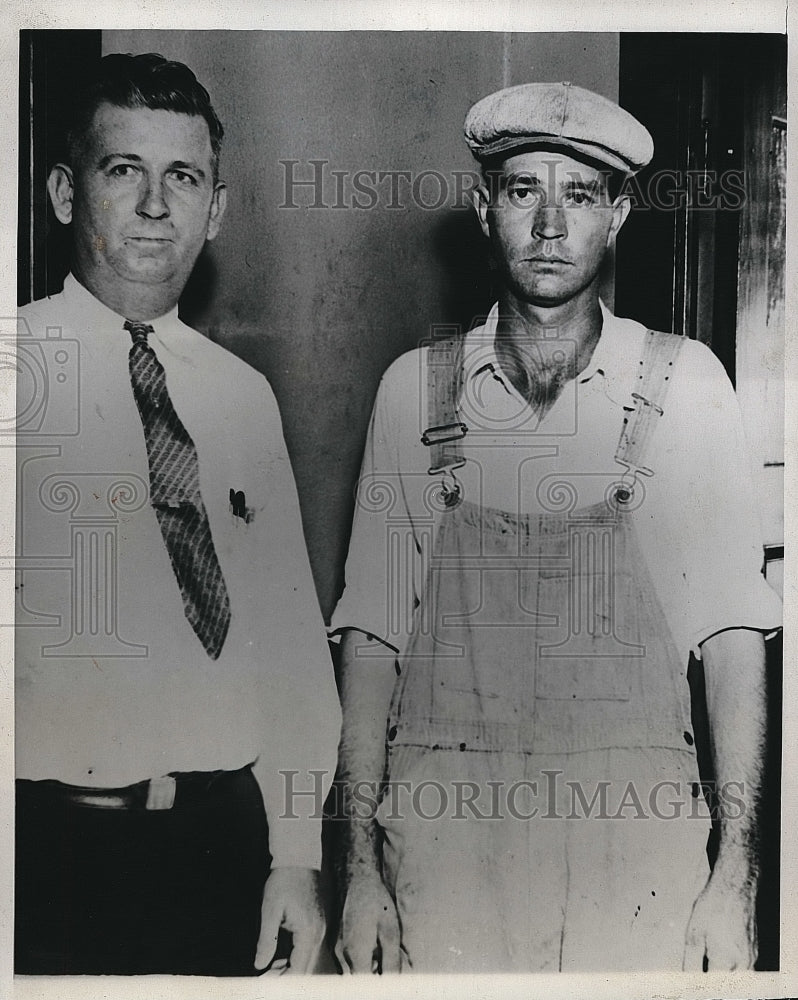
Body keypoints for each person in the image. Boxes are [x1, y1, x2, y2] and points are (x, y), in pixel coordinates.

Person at [332, 81, 782, 973]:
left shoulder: (687, 386)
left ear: (617, 215)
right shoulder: (414, 391)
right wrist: (357, 873)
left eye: (578, 194)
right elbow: (370, 643)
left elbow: (734, 644)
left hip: (637, 850)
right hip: (447, 852)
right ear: (483, 209)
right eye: (521, 190)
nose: (548, 224)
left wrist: (738, 872)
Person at [15, 52, 341, 976]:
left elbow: (289, 651)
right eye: (125, 170)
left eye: (184, 178)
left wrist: (297, 856)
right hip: (43, 855)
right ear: (66, 193)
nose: (157, 204)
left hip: (218, 852)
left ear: (217, 209)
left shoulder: (241, 396)